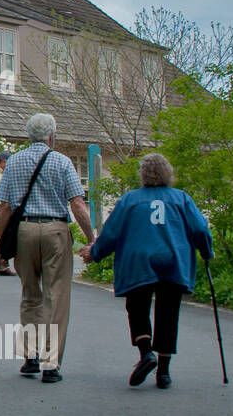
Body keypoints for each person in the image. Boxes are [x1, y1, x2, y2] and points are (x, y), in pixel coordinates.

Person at [81, 152, 213, 390]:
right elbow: (200, 229)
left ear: (143, 174)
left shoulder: (130, 200)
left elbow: (111, 232)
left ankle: (146, 353)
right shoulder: (181, 199)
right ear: (168, 173)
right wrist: (206, 252)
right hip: (173, 260)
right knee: (168, 312)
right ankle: (163, 372)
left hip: (139, 262)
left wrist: (96, 253)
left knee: (137, 308)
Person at [0, 113, 95, 384]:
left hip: (24, 231)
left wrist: (1, 244)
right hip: (55, 231)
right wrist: (91, 237)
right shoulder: (62, 162)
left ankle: (30, 357)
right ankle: (51, 365)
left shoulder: (13, 162)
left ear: (29, 135)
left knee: (30, 294)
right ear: (51, 135)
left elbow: (4, 206)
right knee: (56, 297)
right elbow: (77, 204)